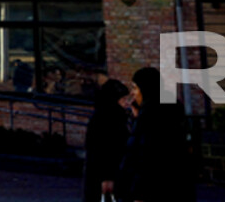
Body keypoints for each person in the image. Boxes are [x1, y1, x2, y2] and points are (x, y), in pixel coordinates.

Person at [118, 66, 194, 202]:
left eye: (135, 88)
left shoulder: (150, 116)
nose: (132, 93)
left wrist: (139, 194)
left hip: (152, 191)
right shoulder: (170, 111)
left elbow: (146, 158)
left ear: (144, 89)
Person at [83, 79, 132, 202]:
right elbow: (105, 150)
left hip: (102, 175)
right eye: (123, 99)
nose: (127, 103)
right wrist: (107, 177)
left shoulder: (106, 116)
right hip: (107, 176)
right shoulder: (111, 118)